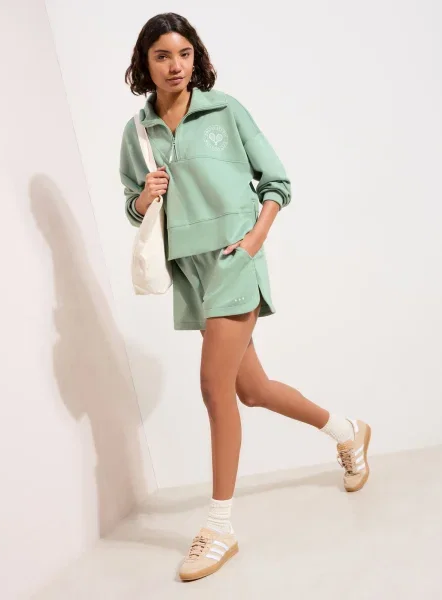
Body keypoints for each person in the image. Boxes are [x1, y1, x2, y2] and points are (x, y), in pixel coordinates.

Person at [120, 12, 372, 582]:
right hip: (191, 272)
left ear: (196, 57)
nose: (176, 65)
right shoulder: (137, 132)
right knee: (251, 390)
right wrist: (144, 197)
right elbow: (132, 206)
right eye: (162, 55)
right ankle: (348, 431)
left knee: (214, 388)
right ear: (145, 64)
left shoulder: (225, 110)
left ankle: (219, 526)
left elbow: (276, 180)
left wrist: (254, 240)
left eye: (184, 53)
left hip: (235, 261)